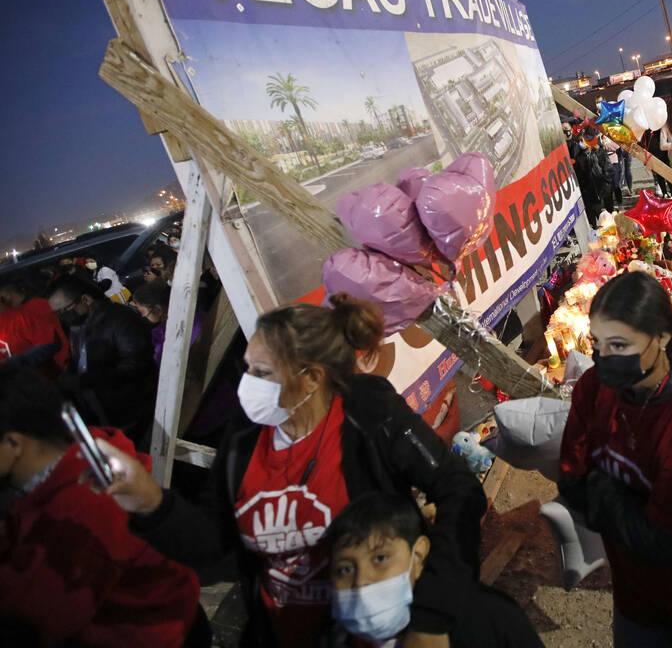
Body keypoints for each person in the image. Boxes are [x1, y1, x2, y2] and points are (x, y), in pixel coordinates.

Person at [94, 294, 487, 647]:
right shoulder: (244, 437)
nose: (247, 385)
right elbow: (214, 543)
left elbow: (458, 489)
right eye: (247, 369)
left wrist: (435, 600)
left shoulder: (369, 414)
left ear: (312, 377)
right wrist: (149, 502)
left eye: (262, 373)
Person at [560, 272, 672, 647]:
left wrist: (602, 492)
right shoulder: (595, 388)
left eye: (620, 345)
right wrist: (621, 504)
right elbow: (571, 478)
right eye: (598, 343)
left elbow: (666, 539)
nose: (604, 358)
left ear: (661, 338)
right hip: (634, 598)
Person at [0, 363, 208, 647]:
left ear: (14, 443)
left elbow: (42, 618)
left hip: (153, 634)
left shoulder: (79, 510)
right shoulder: (68, 457)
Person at [326, 491, 543, 647]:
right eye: (345, 570)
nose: (361, 581)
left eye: (380, 558)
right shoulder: (334, 638)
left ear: (418, 556)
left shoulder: (488, 620)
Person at [46, 277, 157, 447]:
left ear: (86, 300)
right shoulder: (78, 325)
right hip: (105, 413)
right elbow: (80, 360)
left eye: (64, 310)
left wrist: (87, 380)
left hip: (133, 413)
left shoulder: (121, 319)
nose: (62, 317)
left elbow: (136, 364)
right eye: (57, 313)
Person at [0, 276, 69, 378]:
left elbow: (51, 344)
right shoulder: (32, 307)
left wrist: (11, 363)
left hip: (61, 372)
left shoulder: (30, 309)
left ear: (5, 297)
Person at [131, 280, 206, 366]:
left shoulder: (173, 334)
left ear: (158, 310)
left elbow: (163, 361)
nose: (143, 316)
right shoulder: (189, 313)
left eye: (143, 312)